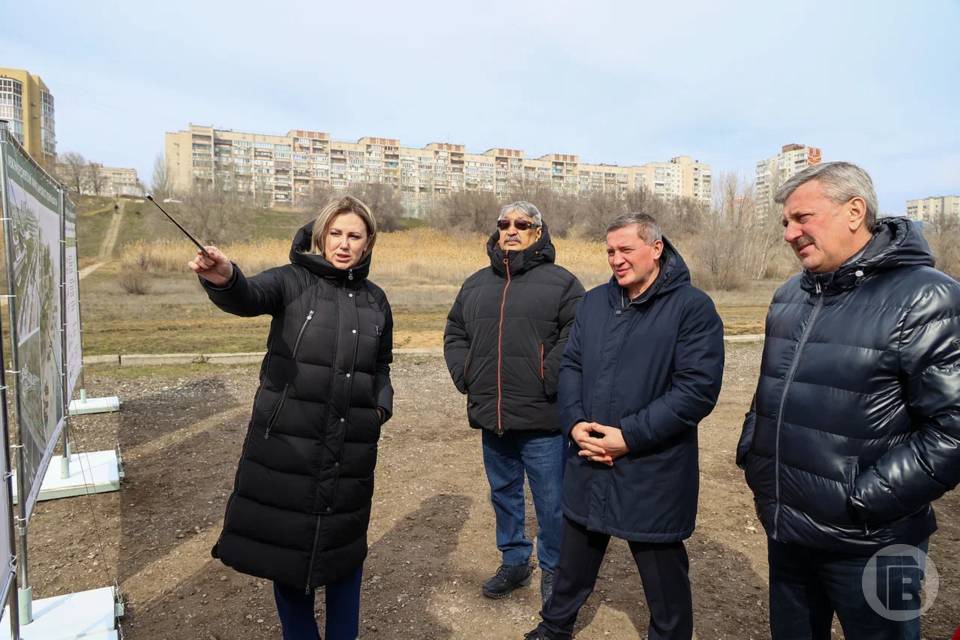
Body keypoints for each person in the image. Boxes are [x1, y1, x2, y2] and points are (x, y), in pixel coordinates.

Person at [736, 162, 960, 640]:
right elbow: (769, 394)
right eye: (785, 223)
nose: (790, 233)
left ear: (854, 211)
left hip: (878, 542)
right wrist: (752, 453)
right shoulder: (788, 296)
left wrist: (865, 498)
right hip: (789, 529)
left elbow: (953, 427)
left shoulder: (926, 297)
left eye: (803, 218)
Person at [188, 195, 393, 640]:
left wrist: (379, 408)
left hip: (351, 450)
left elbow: (382, 365)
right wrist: (224, 277)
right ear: (320, 237)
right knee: (287, 554)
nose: (343, 244)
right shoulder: (292, 281)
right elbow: (248, 295)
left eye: (354, 236)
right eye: (335, 234)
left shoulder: (377, 301)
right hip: (287, 448)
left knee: (344, 556)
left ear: (368, 242)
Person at [524, 212, 724, 640]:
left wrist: (629, 437)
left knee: (661, 569)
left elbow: (696, 391)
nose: (616, 259)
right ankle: (555, 626)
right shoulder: (595, 302)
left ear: (656, 249)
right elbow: (572, 365)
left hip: (652, 466)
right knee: (575, 556)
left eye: (625, 249)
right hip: (589, 453)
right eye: (610, 251)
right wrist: (574, 422)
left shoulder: (692, 308)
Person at [444, 201, 585, 604]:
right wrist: (466, 373)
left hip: (543, 420)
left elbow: (577, 335)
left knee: (551, 502)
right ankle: (515, 560)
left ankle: (555, 571)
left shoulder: (562, 283)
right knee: (503, 493)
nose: (511, 230)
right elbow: (455, 332)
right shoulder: (475, 284)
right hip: (493, 416)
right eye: (504, 223)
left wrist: (548, 377)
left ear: (538, 233)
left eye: (522, 224)